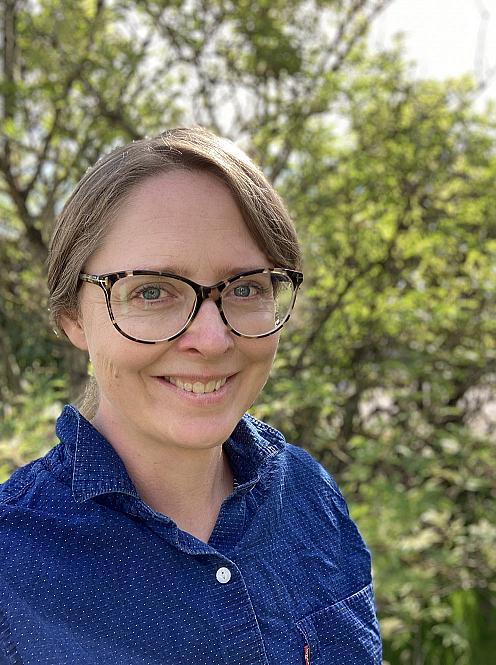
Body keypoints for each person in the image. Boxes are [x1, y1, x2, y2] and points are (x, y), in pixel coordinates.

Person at [0, 128, 381, 665]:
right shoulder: (13, 561)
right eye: (152, 291)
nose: (212, 339)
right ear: (72, 318)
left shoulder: (307, 492)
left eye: (246, 287)